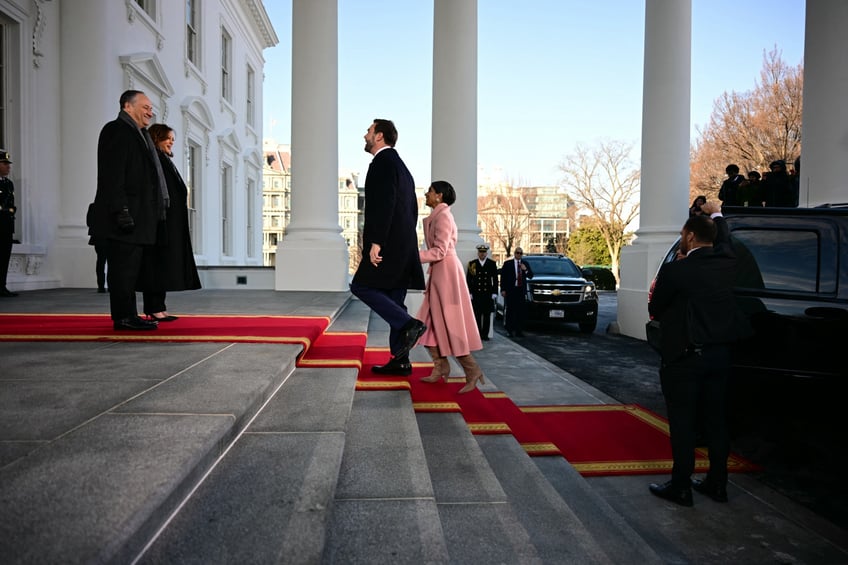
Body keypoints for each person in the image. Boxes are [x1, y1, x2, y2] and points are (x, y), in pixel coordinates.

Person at [647, 200, 749, 507]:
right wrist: (716, 213)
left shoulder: (676, 270)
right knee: (716, 421)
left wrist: (676, 268)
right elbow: (726, 239)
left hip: (685, 358)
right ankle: (717, 483)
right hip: (720, 356)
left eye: (682, 233)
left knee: (683, 423)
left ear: (690, 237)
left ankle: (681, 486)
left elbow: (656, 309)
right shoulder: (728, 260)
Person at [349, 119, 426, 375]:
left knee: (360, 285)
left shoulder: (382, 163)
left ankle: (408, 324)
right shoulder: (402, 167)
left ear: (379, 136)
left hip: (388, 246)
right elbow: (411, 209)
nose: (365, 135)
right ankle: (401, 360)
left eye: (368, 131)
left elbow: (384, 204)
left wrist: (376, 242)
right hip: (404, 245)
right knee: (394, 298)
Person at [88, 90, 165, 331]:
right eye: (145, 107)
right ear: (127, 106)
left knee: (130, 270)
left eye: (151, 108)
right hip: (123, 217)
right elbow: (112, 176)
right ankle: (123, 317)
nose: (150, 112)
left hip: (139, 217)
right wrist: (121, 211)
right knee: (122, 270)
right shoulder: (116, 130)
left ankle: (129, 314)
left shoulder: (139, 134)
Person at [416, 181, 485, 393]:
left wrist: (411, 258)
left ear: (439, 196)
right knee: (426, 323)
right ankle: (441, 366)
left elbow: (440, 251)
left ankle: (472, 370)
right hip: (439, 272)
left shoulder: (443, 216)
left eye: (430, 191)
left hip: (445, 272)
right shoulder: (439, 215)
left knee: (450, 322)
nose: (426, 194)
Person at [138, 123, 201, 321]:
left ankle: (159, 307)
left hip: (170, 223)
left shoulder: (164, 160)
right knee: (156, 265)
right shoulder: (155, 160)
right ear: (157, 138)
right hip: (160, 222)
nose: (171, 143)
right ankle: (154, 307)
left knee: (162, 265)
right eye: (168, 139)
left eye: (173, 140)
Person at [466, 243, 499, 340]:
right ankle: (478, 334)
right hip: (476, 293)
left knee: (487, 315)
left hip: (488, 293)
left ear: (486, 253)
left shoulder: (492, 264)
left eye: (484, 252)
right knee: (477, 315)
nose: (482, 254)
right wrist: (470, 292)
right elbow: (469, 279)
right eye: (480, 252)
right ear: (478, 253)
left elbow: (495, 279)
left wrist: (494, 292)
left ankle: (485, 335)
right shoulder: (472, 264)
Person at [500, 247, 533, 337]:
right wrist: (503, 289)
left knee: (520, 311)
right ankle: (509, 330)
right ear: (514, 254)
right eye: (517, 253)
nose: (519, 255)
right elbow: (503, 277)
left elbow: (531, 276)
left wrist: (525, 270)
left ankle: (519, 331)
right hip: (511, 290)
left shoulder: (525, 263)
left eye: (520, 253)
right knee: (510, 311)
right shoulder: (508, 264)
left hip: (520, 290)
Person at [0, 150, 18, 297]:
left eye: (8, 164)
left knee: (4, 257)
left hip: (6, 226)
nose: (8, 166)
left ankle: (2, 285)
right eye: (4, 163)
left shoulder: (8, 184)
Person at [86, 202, 108, 293]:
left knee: (100, 261)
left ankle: (101, 286)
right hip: (110, 237)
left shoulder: (93, 206)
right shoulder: (113, 206)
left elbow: (89, 222)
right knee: (112, 263)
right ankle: (111, 286)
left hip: (99, 237)